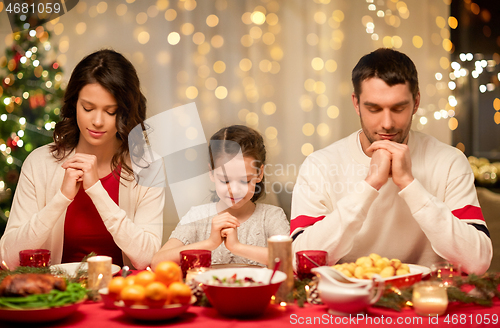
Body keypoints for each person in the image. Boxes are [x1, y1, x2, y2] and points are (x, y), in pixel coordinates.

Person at [290, 48, 492, 274]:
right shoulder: (319, 165)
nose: (387, 123)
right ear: (356, 103)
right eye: (374, 108)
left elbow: (478, 262)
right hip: (349, 302)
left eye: (398, 108)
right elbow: (301, 261)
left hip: (426, 300)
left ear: (416, 102)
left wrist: (410, 185)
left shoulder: (450, 161)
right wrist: (369, 186)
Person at [0, 49, 164, 270]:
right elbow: (8, 259)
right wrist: (61, 198)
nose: (97, 121)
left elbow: (147, 258)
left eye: (110, 111)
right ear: (74, 104)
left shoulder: (147, 166)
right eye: (87, 108)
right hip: (56, 296)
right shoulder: (39, 163)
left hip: (121, 294)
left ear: (125, 112)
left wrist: (97, 190)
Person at [152, 125, 289, 268]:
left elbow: (289, 260)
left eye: (245, 180)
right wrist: (209, 243)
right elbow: (157, 262)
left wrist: (237, 247)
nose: (235, 190)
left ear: (259, 174)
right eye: (225, 180)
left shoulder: (272, 216)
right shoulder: (197, 216)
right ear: (211, 173)